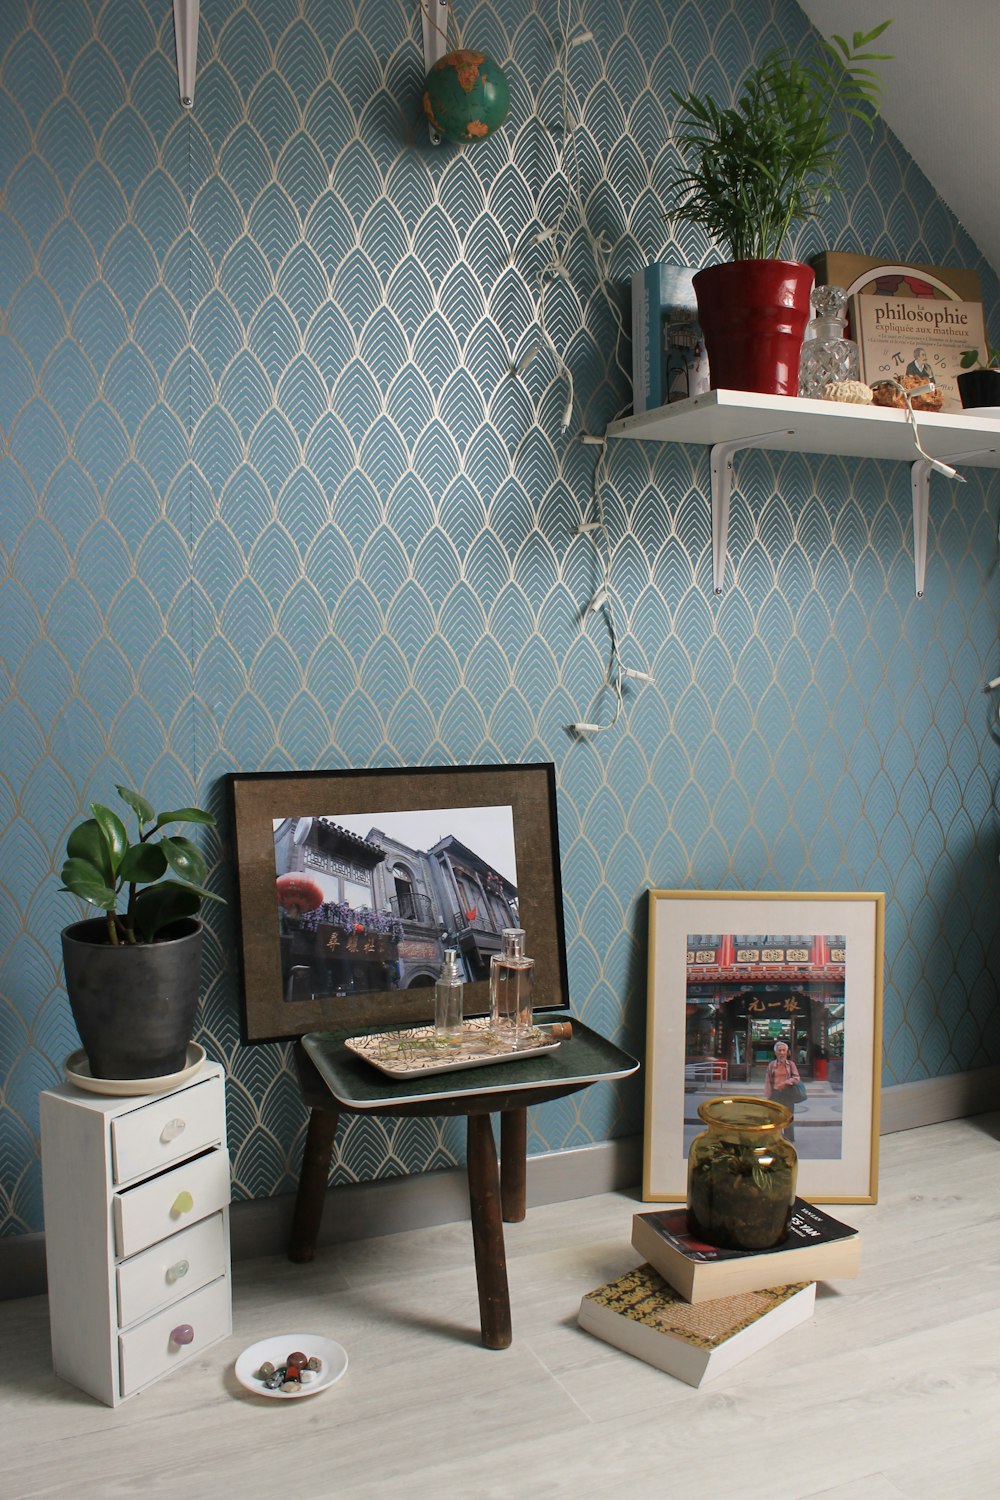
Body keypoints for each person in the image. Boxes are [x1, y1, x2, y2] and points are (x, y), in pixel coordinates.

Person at [764, 1039, 802, 1141]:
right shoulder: (772, 1065)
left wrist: (787, 1082)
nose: (781, 1053)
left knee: (788, 1118)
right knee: (774, 1118)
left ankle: (789, 1139)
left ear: (786, 1052)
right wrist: (767, 1096)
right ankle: (776, 1139)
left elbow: (797, 1078)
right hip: (775, 1095)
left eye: (783, 1050)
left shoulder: (791, 1064)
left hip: (787, 1094)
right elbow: (768, 1081)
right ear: (776, 1053)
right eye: (779, 1050)